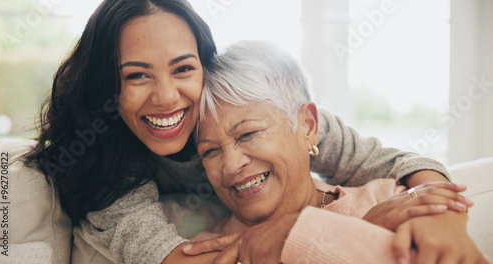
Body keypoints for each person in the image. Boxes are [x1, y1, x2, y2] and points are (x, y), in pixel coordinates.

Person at [20, 0, 456, 263]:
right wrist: (345, 233)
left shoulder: (241, 111)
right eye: (136, 76)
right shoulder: (105, 169)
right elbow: (179, 259)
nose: (167, 97)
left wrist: (439, 214)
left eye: (183, 68)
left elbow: (405, 164)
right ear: (107, 86)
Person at [189, 40, 491, 264]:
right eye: (211, 151)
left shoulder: (392, 200)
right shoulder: (209, 252)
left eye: (248, 133)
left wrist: (311, 233)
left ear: (307, 126)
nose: (230, 165)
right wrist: (363, 231)